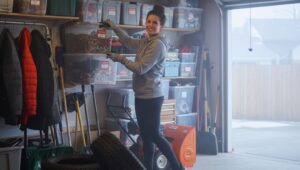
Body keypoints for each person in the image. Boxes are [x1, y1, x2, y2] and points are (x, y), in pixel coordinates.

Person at [103, 5, 184, 170]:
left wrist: (119, 58)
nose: (150, 25)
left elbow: (140, 68)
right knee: (146, 137)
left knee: (154, 135)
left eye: (155, 23)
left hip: (152, 98)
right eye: (148, 21)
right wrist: (114, 27)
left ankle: (178, 167)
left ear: (161, 26)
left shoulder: (157, 45)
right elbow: (128, 41)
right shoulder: (147, 40)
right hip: (141, 96)